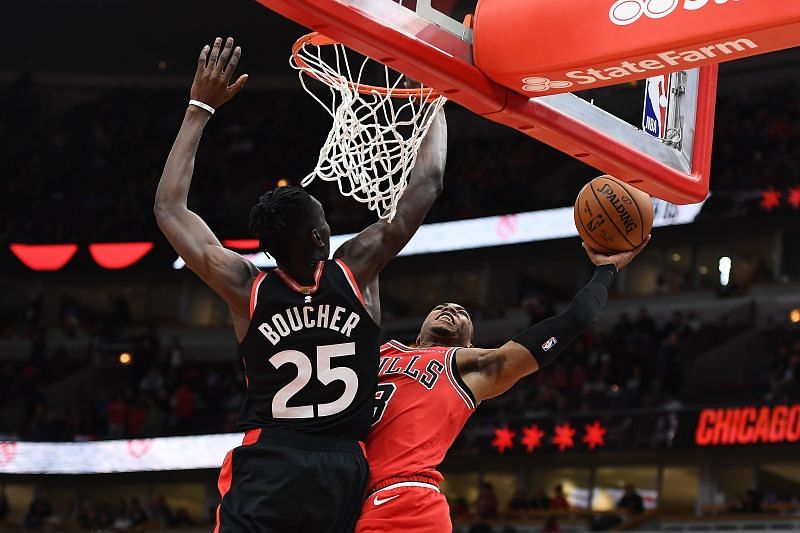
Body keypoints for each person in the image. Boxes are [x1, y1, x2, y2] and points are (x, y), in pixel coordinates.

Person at [154, 37, 447, 533]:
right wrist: (435, 94)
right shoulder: (357, 269)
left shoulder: (245, 285)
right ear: (318, 235)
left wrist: (199, 108)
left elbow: (169, 210)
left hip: (271, 459)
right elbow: (429, 182)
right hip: (341, 467)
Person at [356, 237, 648, 532]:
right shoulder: (379, 353)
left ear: (470, 343)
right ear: (417, 337)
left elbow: (577, 318)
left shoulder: (470, 367)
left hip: (406, 495)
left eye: (463, 313)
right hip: (349, 491)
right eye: (442, 306)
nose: (451, 309)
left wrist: (606, 269)